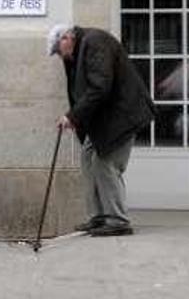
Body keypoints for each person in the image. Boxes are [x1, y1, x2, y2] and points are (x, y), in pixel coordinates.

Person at [46, 24, 156, 236]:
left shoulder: (95, 42)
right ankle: (98, 216)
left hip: (123, 115)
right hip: (106, 118)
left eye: (59, 52)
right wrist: (77, 117)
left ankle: (117, 219)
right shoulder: (78, 51)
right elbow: (83, 90)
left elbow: (100, 87)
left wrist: (72, 116)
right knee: (88, 158)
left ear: (67, 38)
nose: (61, 57)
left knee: (105, 163)